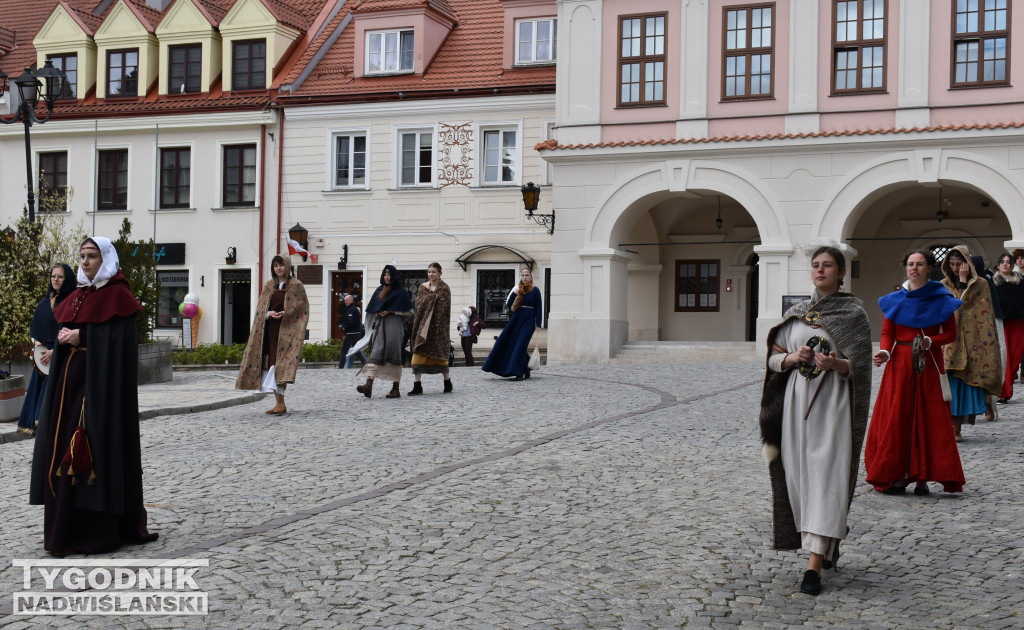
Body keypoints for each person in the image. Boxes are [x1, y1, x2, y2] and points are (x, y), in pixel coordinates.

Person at [28, 237, 159, 555]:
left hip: (99, 390)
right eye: (82, 256)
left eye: (92, 256)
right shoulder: (77, 295)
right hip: (67, 387)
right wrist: (64, 337)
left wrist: (83, 335)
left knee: (91, 449)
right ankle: (63, 530)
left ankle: (96, 533)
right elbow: (69, 327)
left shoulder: (118, 295)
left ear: (106, 260)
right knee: (62, 448)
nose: (85, 262)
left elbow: (121, 340)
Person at [758, 246, 872, 597]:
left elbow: (859, 368)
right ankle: (823, 544)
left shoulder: (853, 314)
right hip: (795, 411)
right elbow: (772, 360)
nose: (820, 271)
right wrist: (794, 357)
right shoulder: (795, 314)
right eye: (816, 265)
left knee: (826, 479)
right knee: (801, 480)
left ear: (841, 272)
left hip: (833, 410)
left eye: (828, 266)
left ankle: (814, 565)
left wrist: (835, 364)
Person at [864, 249, 965, 496]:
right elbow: (888, 334)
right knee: (898, 417)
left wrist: (931, 341)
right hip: (899, 364)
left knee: (930, 418)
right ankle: (898, 476)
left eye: (919, 264)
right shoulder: (894, 299)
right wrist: (885, 352)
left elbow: (950, 334)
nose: (914, 268)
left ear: (929, 267)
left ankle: (923, 477)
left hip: (928, 364)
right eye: (910, 264)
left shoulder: (941, 297)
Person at [940, 246, 1002, 439]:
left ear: (967, 263)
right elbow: (951, 308)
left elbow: (984, 316)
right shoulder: (942, 285)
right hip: (949, 344)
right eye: (952, 264)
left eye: (959, 264)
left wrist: (964, 281)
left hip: (971, 342)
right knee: (949, 386)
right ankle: (949, 426)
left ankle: (957, 427)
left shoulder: (980, 284)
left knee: (965, 386)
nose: (956, 268)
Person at [236, 255, 309, 414]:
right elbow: (260, 309)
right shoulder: (269, 286)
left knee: (281, 364)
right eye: (275, 266)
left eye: (281, 265)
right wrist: (269, 314)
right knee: (270, 362)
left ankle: (280, 403)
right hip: (269, 329)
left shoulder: (296, 285)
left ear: (287, 266)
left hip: (286, 331)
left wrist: (284, 313)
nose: (278, 268)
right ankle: (279, 403)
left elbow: (302, 309)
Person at [17, 263, 75, 436]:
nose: (55, 280)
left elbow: (72, 332)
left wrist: (54, 352)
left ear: (67, 279)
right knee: (37, 392)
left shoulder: (72, 303)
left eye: (60, 276)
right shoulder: (44, 303)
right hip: (43, 358)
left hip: (63, 356)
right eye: (53, 276)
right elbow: (36, 331)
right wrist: (37, 345)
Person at [358, 265, 413, 399]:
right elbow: (373, 308)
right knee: (376, 353)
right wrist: (378, 313)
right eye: (385, 275)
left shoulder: (400, 292)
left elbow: (410, 312)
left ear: (393, 276)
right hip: (380, 325)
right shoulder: (379, 290)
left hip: (394, 326)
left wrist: (391, 311)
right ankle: (369, 385)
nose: (387, 277)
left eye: (389, 275)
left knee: (394, 355)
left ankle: (395, 388)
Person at [482, 266, 543, 380]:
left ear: (531, 277)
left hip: (529, 320)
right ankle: (525, 368)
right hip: (516, 318)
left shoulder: (535, 290)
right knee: (507, 341)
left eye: (527, 275)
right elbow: (508, 305)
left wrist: (538, 324)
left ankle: (518, 372)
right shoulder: (518, 288)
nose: (524, 278)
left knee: (520, 344)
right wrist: (515, 293)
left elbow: (539, 308)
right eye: (523, 275)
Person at [408, 262, 453, 395]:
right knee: (418, 353)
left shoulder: (444, 288)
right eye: (429, 272)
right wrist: (430, 299)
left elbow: (445, 308)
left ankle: (447, 382)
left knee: (441, 356)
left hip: (438, 328)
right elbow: (419, 305)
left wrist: (433, 300)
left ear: (440, 273)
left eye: (433, 272)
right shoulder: (423, 287)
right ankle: (417, 386)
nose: (431, 274)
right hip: (424, 327)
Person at [993, 253, 1024, 403]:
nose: (1005, 264)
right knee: (1004, 357)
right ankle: (1003, 392)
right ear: (998, 265)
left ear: (1012, 265)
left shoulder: (1021, 283)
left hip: (1017, 323)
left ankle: (1008, 384)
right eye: (1002, 262)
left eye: (1008, 262)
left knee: (1016, 357)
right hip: (1000, 323)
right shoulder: (992, 284)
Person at [338, 293, 366, 369]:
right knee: (356, 351)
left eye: (346, 300)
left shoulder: (351, 309)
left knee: (343, 351)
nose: (345, 302)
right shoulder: (354, 309)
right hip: (356, 334)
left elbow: (351, 322)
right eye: (344, 300)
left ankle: (340, 368)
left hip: (351, 334)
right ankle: (366, 364)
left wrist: (344, 328)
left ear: (351, 300)